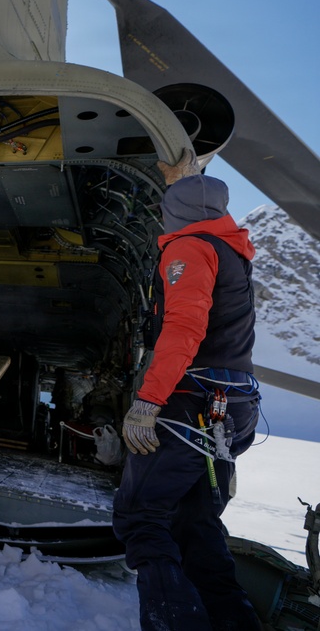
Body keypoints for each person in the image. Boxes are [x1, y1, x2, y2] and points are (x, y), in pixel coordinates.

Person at [113, 173, 263, 630]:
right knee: (195, 523)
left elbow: (183, 328)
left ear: (175, 212)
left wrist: (147, 402)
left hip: (190, 404)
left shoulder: (189, 249)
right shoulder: (232, 251)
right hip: (231, 409)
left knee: (143, 515)